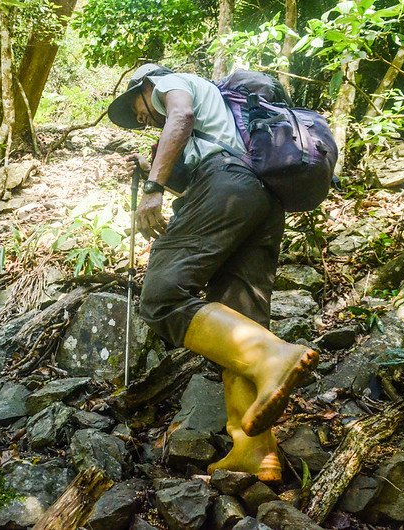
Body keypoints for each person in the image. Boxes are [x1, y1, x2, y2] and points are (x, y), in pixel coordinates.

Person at [107, 64, 318, 482]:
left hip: (226, 184)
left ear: (145, 86)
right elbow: (200, 163)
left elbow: (181, 117)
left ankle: (273, 355)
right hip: (261, 198)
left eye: (138, 108)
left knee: (163, 296)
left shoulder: (170, 84)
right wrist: (158, 172)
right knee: (241, 317)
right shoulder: (225, 116)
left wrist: (152, 189)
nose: (142, 118)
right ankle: (254, 450)